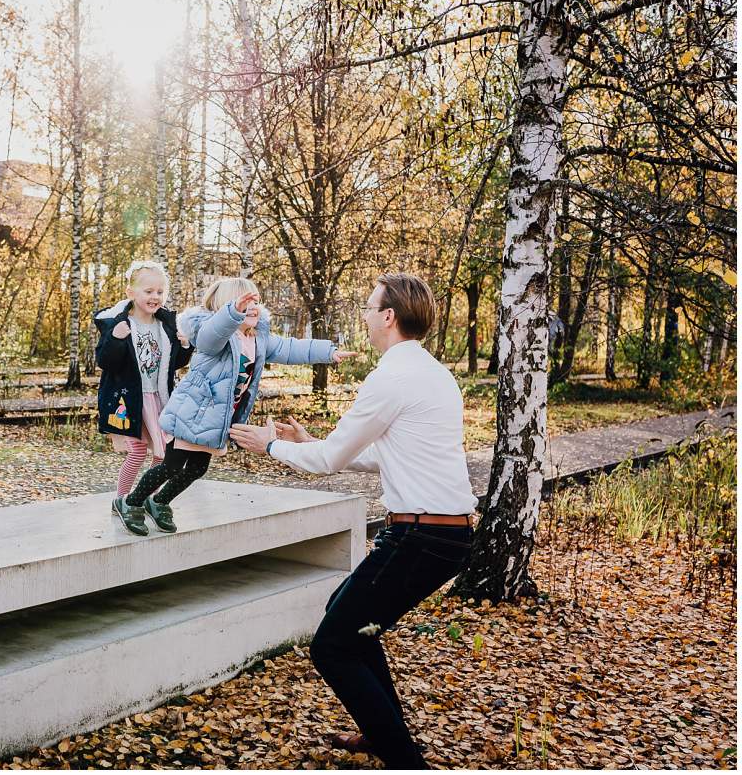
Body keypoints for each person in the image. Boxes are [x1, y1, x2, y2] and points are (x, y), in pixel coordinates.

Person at [230, 272, 477, 769]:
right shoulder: (433, 373)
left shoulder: (391, 376)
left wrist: (272, 446)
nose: (363, 317)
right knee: (353, 621)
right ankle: (378, 732)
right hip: (443, 533)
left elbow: (329, 463)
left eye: (368, 308)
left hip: (420, 535)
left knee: (332, 646)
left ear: (388, 316)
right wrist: (307, 443)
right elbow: (384, 455)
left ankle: (404, 759)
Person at [115, 276, 353, 535]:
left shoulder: (257, 338)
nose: (253, 308)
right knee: (171, 465)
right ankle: (130, 502)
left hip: (216, 419)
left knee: (197, 468)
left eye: (256, 302)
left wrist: (328, 352)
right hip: (191, 412)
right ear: (226, 308)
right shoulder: (214, 336)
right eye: (245, 303)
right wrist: (233, 314)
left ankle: (158, 501)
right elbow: (211, 335)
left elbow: (291, 348)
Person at [94, 261, 194, 534]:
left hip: (161, 398)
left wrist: (185, 345)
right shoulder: (118, 323)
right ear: (131, 293)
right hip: (131, 399)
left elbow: (175, 363)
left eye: (160, 292)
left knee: (162, 455)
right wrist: (115, 339)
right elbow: (105, 361)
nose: (155, 297)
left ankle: (148, 497)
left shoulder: (167, 326)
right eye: (148, 291)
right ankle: (123, 500)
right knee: (137, 451)